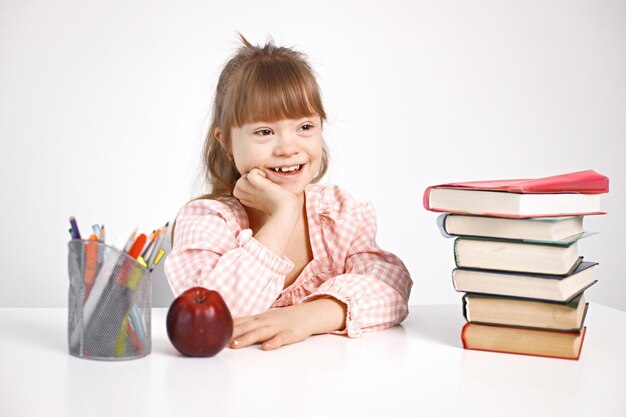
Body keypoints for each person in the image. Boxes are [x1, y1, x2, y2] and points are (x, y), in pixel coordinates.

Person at [164, 33, 413, 351]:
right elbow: (216, 317)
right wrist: (284, 214)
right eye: (264, 132)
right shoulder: (207, 220)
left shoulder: (338, 214)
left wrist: (308, 317)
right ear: (226, 142)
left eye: (305, 127)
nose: (288, 147)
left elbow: (392, 286)